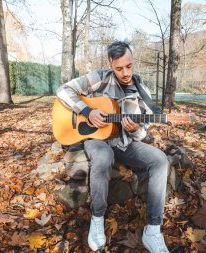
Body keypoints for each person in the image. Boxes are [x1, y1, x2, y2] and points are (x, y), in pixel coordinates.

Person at [56, 41, 169, 253]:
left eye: (129, 66)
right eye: (119, 68)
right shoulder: (100, 77)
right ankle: (97, 218)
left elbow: (142, 132)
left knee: (160, 160)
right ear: (111, 64)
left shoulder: (142, 91)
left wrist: (135, 129)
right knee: (102, 156)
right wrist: (88, 112)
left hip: (124, 143)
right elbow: (63, 91)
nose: (125, 73)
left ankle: (153, 229)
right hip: (97, 140)